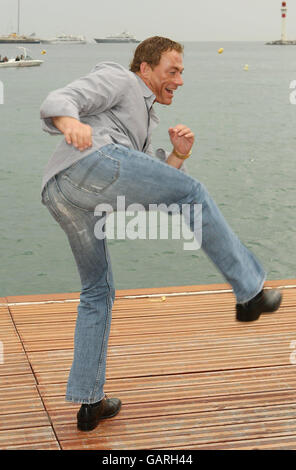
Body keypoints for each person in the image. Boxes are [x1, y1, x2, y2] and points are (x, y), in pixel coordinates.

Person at [40, 36, 282, 432]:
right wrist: (68, 122)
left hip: (62, 193)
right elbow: (61, 98)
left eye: (182, 72)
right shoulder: (118, 78)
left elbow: (158, 194)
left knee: (97, 290)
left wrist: (179, 155)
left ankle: (89, 401)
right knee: (196, 192)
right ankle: (250, 293)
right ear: (145, 69)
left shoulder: (143, 121)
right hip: (91, 162)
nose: (180, 80)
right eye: (173, 71)